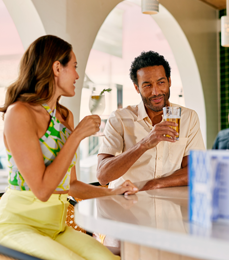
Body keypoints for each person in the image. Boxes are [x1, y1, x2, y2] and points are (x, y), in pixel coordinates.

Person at [0, 35, 138, 260]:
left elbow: (71, 185)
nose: (77, 75)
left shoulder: (65, 116)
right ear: (57, 67)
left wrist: (111, 192)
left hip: (56, 227)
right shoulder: (20, 113)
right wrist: (77, 137)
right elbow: (42, 190)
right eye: (73, 67)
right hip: (18, 226)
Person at [97, 51, 205, 190]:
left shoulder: (188, 118)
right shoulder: (119, 119)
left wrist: (155, 184)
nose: (156, 92)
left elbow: (195, 170)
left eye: (161, 82)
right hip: (125, 205)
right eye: (147, 85)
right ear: (137, 88)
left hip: (168, 205)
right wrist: (144, 144)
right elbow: (102, 176)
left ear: (169, 81)